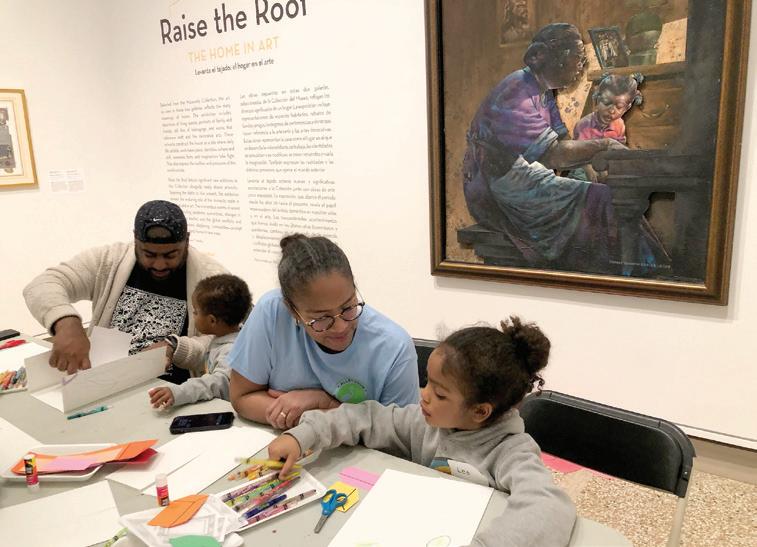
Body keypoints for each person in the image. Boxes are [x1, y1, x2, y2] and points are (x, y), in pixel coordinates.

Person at [268, 317, 576, 546]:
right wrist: (302, 435)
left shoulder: (511, 450)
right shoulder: (422, 422)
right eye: (427, 382)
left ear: (480, 411)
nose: (424, 396)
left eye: (440, 394)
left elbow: (548, 509)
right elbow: (365, 417)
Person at [463, 23, 627, 274]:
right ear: (546, 56)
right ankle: (617, 272)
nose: (581, 65)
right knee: (599, 198)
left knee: (598, 191)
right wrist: (604, 145)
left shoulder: (543, 91)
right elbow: (554, 155)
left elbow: (561, 136)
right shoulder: (516, 90)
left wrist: (588, 169)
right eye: (578, 56)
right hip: (493, 188)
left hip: (516, 177)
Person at [229, 234, 420, 430]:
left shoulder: (394, 347)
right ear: (292, 311)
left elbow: (400, 434)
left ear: (355, 288)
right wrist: (321, 417)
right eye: (321, 318)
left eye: (348, 307)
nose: (341, 327)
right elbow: (242, 397)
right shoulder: (271, 312)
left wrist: (323, 404)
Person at [23, 200, 227, 382]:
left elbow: (225, 340)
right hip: (104, 381)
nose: (159, 265)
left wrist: (175, 346)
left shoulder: (211, 276)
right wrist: (66, 322)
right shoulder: (109, 261)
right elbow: (41, 285)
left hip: (171, 390)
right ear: (135, 240)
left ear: (187, 241)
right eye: (149, 254)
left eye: (171, 255)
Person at [149, 273, 252, 408]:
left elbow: (216, 383)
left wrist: (179, 392)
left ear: (212, 320)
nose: (193, 315)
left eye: (195, 312)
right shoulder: (227, 337)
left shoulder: (231, 350)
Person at [571, 73, 644, 182]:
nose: (612, 111)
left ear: (627, 108)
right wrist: (590, 170)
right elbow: (578, 154)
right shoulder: (584, 125)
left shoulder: (619, 124)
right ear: (597, 99)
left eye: (619, 107)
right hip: (584, 166)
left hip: (607, 164)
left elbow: (618, 149)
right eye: (606, 103)